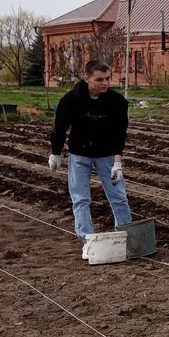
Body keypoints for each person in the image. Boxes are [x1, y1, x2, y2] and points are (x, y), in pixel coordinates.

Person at [48, 59, 132, 258]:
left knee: (119, 196)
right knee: (80, 198)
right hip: (79, 155)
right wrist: (56, 152)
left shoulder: (117, 102)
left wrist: (117, 163)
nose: (105, 83)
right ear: (86, 79)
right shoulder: (70, 100)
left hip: (106, 155)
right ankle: (87, 241)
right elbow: (59, 129)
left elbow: (119, 133)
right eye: (99, 79)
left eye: (107, 79)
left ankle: (127, 236)